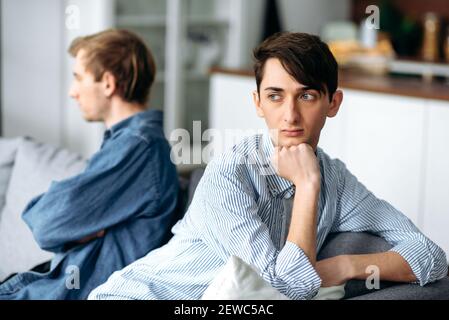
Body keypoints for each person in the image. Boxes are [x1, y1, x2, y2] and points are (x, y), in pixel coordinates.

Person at [88, 32, 447, 300]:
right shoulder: (229, 172)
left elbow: (430, 255)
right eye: (275, 96)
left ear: (332, 103)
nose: (290, 115)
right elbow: (284, 288)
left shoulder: (336, 180)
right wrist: (307, 186)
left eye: (306, 95)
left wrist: (344, 266)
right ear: (258, 103)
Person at [0, 29, 179, 299]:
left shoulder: (138, 147)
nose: (73, 92)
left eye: (79, 78)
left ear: (107, 83)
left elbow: (46, 223)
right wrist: (77, 226)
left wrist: (73, 225)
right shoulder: (127, 143)